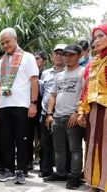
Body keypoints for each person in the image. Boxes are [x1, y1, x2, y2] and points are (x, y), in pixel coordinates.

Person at [0, 28, 39, 184]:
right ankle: (9, 170)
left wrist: (33, 104)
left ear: (15, 39)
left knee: (22, 140)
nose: (5, 45)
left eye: (8, 42)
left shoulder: (28, 57)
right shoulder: (1, 62)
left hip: (22, 105)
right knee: (5, 140)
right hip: (4, 106)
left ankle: (21, 170)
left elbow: (34, 81)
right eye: (2, 43)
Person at [44, 44, 85, 189]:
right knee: (59, 149)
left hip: (72, 116)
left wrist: (78, 112)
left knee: (75, 149)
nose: (67, 57)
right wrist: (50, 114)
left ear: (80, 56)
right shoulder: (59, 75)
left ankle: (75, 176)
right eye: (66, 55)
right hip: (57, 116)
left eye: (71, 55)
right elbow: (53, 95)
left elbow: (86, 95)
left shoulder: (83, 72)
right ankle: (61, 173)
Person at [77, 23, 107, 192]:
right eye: (95, 37)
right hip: (93, 110)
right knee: (92, 146)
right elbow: (85, 89)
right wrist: (82, 111)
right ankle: (93, 183)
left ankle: (105, 186)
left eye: (101, 36)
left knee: (105, 147)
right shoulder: (93, 63)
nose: (96, 41)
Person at [39, 44, 66, 178]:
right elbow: (42, 92)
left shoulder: (71, 72)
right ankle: (46, 170)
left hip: (63, 113)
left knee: (64, 145)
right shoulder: (45, 73)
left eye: (62, 53)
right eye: (56, 53)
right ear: (52, 56)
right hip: (46, 113)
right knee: (45, 143)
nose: (59, 55)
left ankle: (66, 171)